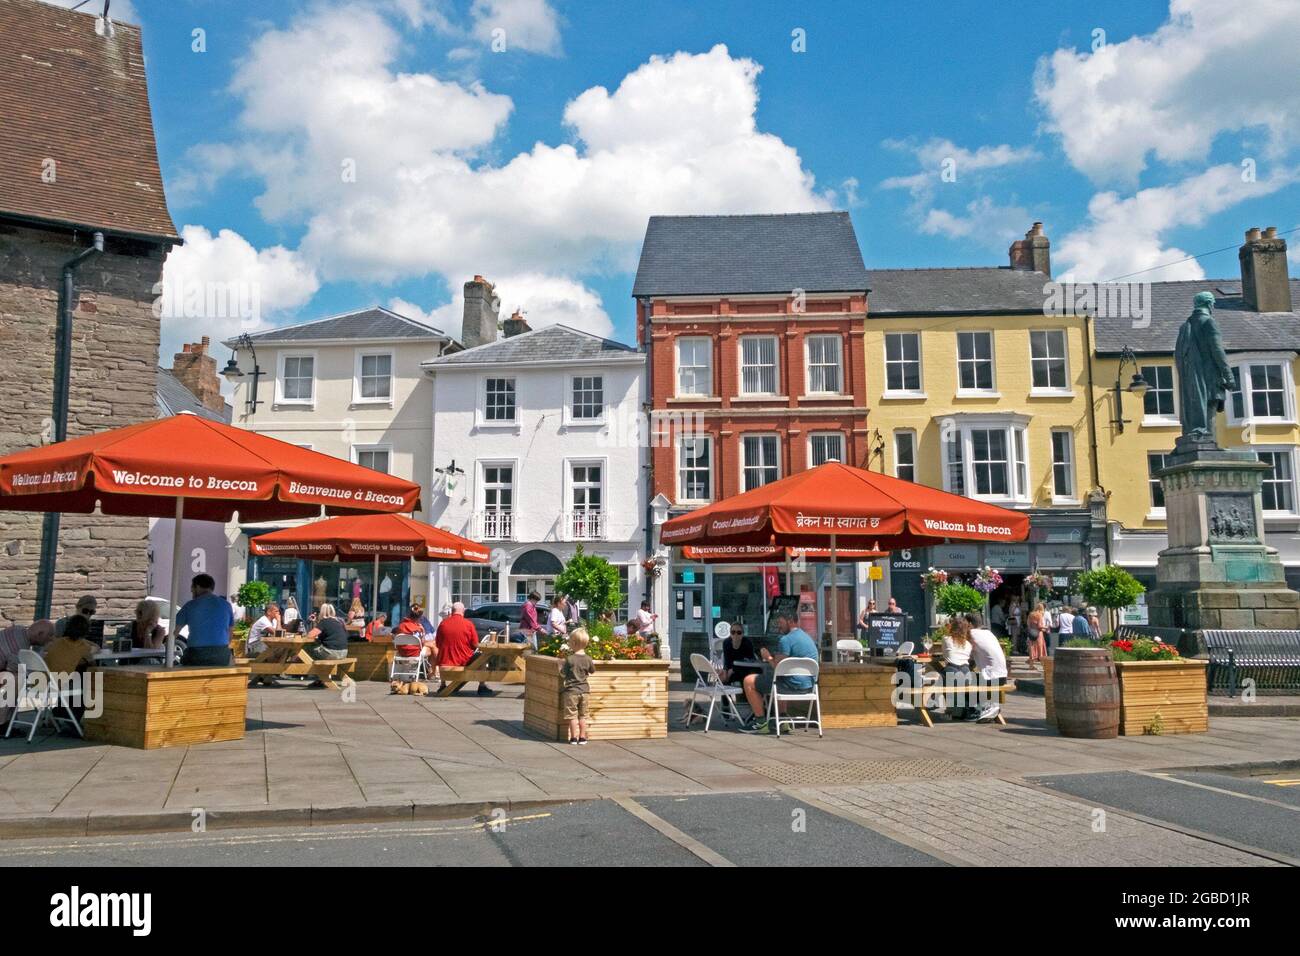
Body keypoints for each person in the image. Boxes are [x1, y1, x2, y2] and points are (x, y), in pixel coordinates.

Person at [741, 610, 819, 734]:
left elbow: (778, 667)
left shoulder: (785, 640)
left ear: (790, 621)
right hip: (809, 687)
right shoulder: (807, 638)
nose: (778, 626)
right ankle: (783, 720)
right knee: (780, 679)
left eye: (780, 622)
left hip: (789, 686)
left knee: (749, 681)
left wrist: (767, 657)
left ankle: (760, 723)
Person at [175, 574, 235, 666]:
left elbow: (174, 633)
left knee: (180, 664)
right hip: (221, 655)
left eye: (192, 588)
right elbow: (230, 634)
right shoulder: (226, 605)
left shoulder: (190, 605)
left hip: (196, 655)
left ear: (197, 587)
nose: (191, 590)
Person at [435, 602, 492, 696]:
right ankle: (482, 686)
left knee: (443, 654)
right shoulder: (468, 624)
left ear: (452, 611)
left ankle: (443, 685)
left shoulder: (442, 624)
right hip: (464, 660)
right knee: (482, 657)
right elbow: (475, 644)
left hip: (445, 662)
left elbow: (438, 643)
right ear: (463, 611)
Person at [965, 613, 1008, 723]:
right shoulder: (988, 633)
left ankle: (975, 711)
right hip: (1002, 675)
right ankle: (987, 707)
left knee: (960, 681)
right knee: (969, 678)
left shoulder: (971, 634)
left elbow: (964, 652)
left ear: (969, 624)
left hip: (991, 677)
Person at [562, 628, 595, 745]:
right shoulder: (588, 659)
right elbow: (592, 671)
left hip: (571, 691)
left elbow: (563, 673)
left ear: (574, 643)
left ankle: (573, 738)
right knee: (583, 716)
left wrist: (558, 667)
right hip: (585, 691)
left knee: (572, 716)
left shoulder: (569, 659)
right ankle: (582, 737)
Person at [303, 603, 349, 686]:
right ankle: (321, 678)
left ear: (322, 612)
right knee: (318, 652)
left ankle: (319, 677)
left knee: (306, 648)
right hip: (344, 652)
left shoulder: (324, 622)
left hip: (333, 653)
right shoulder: (339, 621)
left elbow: (310, 635)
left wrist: (312, 623)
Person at [940, 616, 976, 720]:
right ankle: (963, 710)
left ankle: (951, 710)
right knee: (961, 685)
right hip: (966, 671)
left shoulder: (946, 639)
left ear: (952, 627)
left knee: (940, 679)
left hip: (951, 669)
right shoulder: (968, 644)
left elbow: (944, 654)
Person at [719, 620, 760, 688]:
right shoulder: (726, 643)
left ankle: (745, 697)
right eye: (733, 632)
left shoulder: (747, 643)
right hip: (732, 669)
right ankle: (726, 698)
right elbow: (727, 661)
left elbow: (750, 661)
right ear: (730, 634)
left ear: (742, 634)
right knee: (723, 679)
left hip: (746, 669)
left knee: (744, 676)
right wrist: (725, 672)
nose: (735, 635)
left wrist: (732, 670)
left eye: (739, 632)